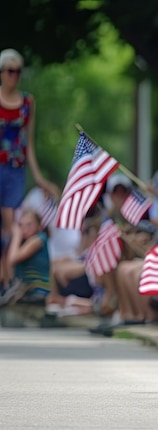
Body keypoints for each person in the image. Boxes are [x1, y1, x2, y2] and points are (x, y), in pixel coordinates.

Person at [0, 49, 58, 292]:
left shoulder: (27, 102)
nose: (15, 76)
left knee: (11, 224)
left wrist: (38, 178)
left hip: (15, 170)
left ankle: (7, 280)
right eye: (10, 71)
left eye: (18, 72)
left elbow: (29, 143)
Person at [1, 209, 50, 306]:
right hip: (24, 291)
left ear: (39, 226)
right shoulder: (21, 243)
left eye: (29, 225)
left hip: (38, 293)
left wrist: (16, 235)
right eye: (21, 225)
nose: (25, 229)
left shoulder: (39, 239)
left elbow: (13, 259)